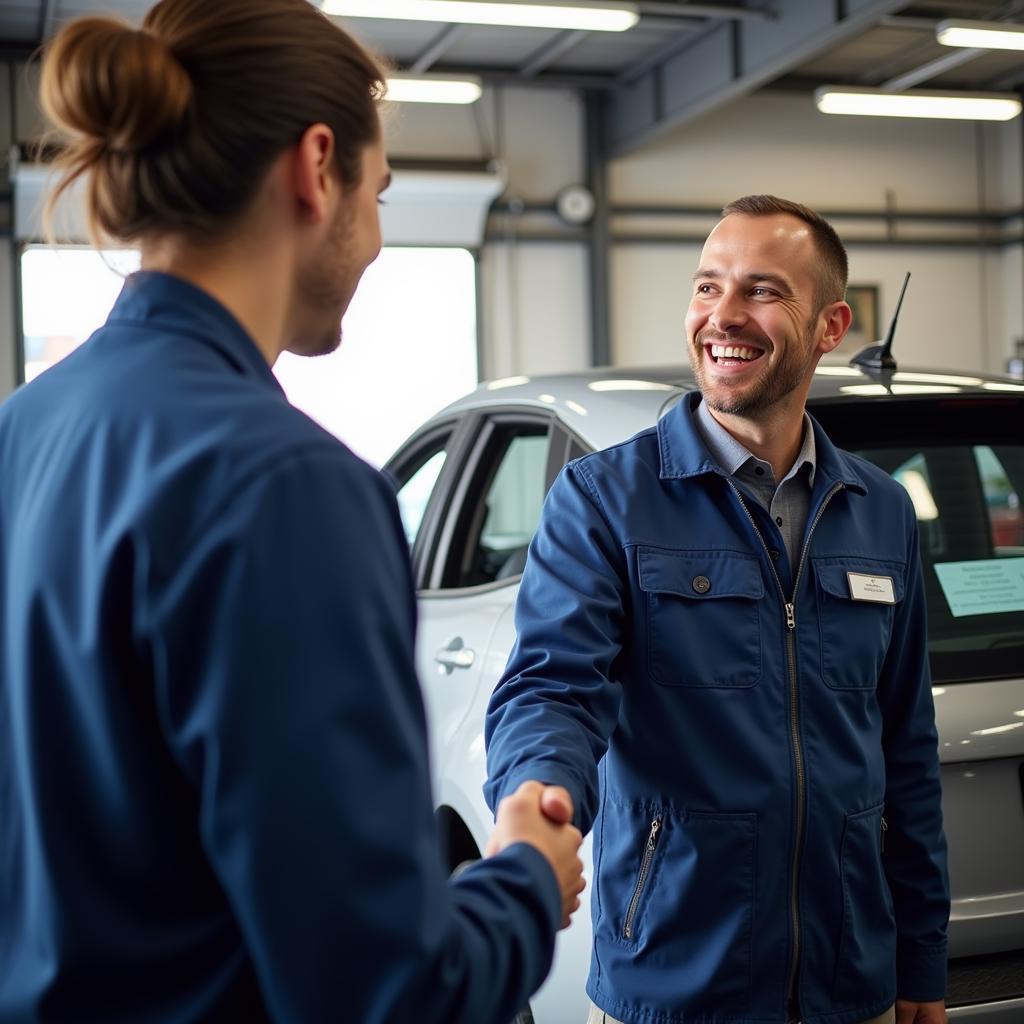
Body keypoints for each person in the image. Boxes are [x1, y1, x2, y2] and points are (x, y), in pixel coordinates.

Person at [0, 1, 585, 1021]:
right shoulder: (287, 490)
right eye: (383, 194)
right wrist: (528, 880)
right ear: (318, 168)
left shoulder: (26, 428)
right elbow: (386, 993)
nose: (372, 242)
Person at [485, 195, 950, 1024]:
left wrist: (921, 959)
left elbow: (905, 748)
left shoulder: (879, 510)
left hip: (854, 986)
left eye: (762, 291)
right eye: (707, 287)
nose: (722, 316)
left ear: (829, 325)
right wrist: (537, 795)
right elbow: (553, 690)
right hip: (677, 984)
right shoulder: (605, 501)